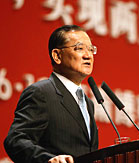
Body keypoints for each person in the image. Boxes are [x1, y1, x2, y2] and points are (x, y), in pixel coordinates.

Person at [4, 25, 99, 163]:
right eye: (79, 48)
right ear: (57, 56)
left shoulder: (87, 102)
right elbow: (15, 140)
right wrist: (49, 159)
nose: (88, 55)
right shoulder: (41, 92)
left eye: (91, 49)